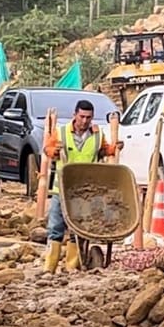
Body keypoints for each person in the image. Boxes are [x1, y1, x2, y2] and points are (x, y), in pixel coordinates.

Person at [42, 100, 122, 274]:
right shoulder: (62, 132)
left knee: (78, 230)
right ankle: (49, 267)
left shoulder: (97, 135)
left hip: (85, 192)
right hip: (62, 189)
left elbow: (104, 150)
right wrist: (55, 151)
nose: (85, 121)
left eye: (88, 117)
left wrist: (114, 148)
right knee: (55, 228)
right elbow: (47, 149)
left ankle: (71, 266)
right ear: (75, 115)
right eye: (82, 117)